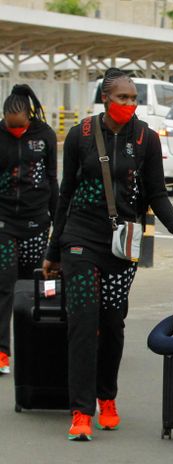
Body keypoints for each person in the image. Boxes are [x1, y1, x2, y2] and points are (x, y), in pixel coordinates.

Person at [42, 68, 173, 441]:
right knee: (82, 322)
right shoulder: (80, 135)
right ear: (105, 98)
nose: (129, 103)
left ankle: (106, 397)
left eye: (133, 98)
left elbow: (157, 193)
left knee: (111, 324)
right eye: (121, 97)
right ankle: (81, 411)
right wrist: (53, 249)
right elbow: (65, 194)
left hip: (122, 242)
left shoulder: (146, 139)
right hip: (79, 238)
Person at [0, 85, 57, 376]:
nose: (14, 130)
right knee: (4, 284)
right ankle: (2, 352)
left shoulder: (45, 136)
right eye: (10, 125)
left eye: (19, 124)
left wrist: (58, 222)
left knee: (35, 287)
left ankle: (36, 350)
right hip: (4, 223)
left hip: (37, 222)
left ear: (28, 115)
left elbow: (53, 178)